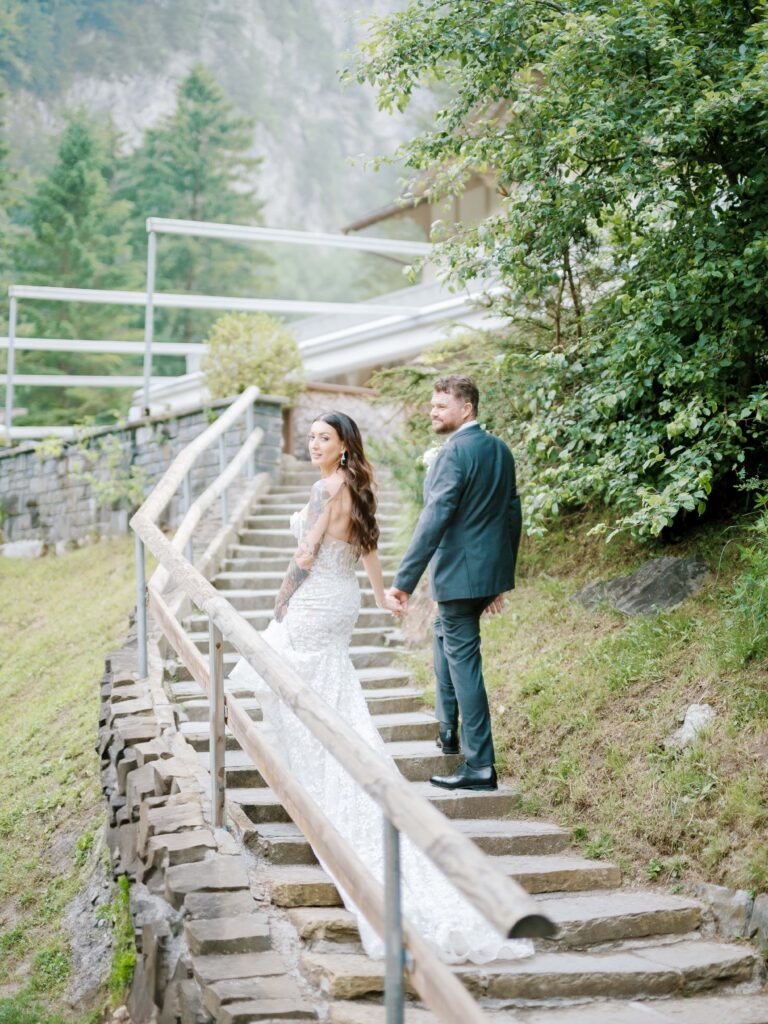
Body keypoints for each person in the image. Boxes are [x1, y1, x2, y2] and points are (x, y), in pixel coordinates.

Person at [228, 410, 532, 965]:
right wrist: (378, 595)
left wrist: (280, 603)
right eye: (312, 437)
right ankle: (327, 771)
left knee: (276, 673)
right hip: (339, 602)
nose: (314, 443)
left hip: (314, 602)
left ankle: (317, 782)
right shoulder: (358, 485)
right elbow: (367, 549)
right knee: (321, 691)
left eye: (323, 437)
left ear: (343, 445)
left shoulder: (327, 488)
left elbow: (306, 556)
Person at [388, 376, 522, 793]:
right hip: (483, 575)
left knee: (465, 666)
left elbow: (435, 517)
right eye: (432, 405)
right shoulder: (499, 449)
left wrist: (403, 582)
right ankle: (448, 732)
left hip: (462, 578)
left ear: (466, 409)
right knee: (443, 634)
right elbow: (511, 513)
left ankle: (480, 765)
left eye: (442, 405)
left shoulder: (454, 452)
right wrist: (501, 577)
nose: (433, 411)